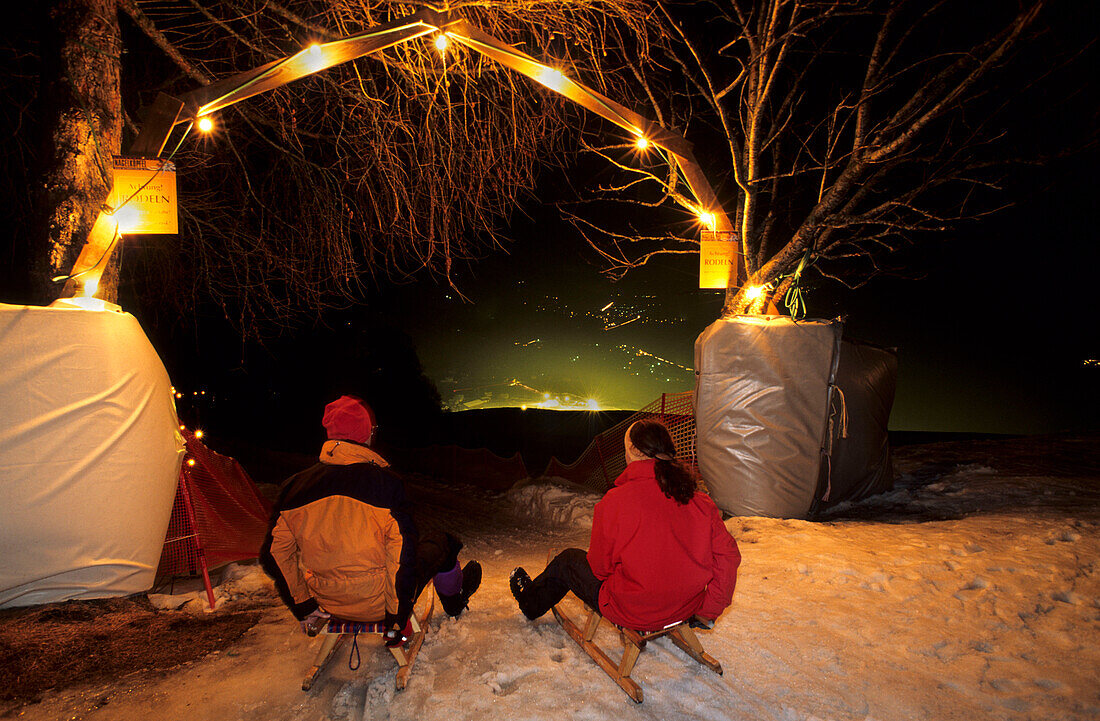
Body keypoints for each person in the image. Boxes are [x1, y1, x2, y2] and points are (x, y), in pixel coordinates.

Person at [261, 395, 481, 646]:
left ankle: (447, 597)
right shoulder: (387, 485)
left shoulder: (294, 489)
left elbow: (273, 554)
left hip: (326, 602)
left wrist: (303, 604)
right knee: (443, 542)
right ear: (366, 434)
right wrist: (396, 621)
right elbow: (401, 559)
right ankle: (455, 602)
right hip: (378, 605)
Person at [510, 419, 740, 631]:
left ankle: (529, 603)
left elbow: (600, 569)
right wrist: (707, 610)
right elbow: (727, 558)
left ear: (633, 451)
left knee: (568, 561)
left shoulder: (616, 501)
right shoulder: (699, 500)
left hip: (634, 612)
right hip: (685, 608)